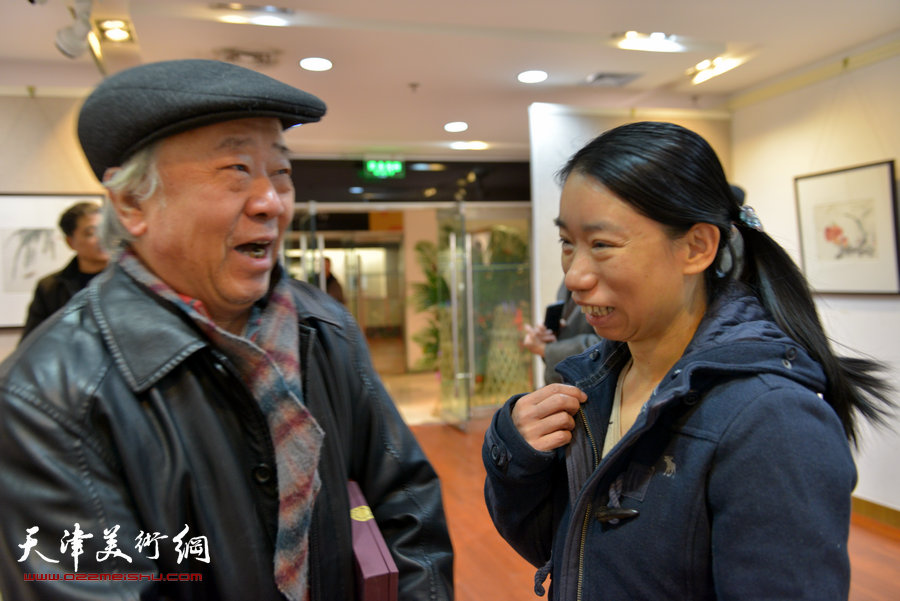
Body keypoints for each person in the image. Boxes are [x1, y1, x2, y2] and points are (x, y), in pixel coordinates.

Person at [0, 59, 453, 601]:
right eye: (236, 169)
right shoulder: (48, 395)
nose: (270, 202)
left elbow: (407, 502)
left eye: (281, 172)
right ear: (131, 202)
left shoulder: (324, 328)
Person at [482, 121, 893, 600]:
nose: (574, 275)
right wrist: (515, 453)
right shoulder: (593, 385)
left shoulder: (773, 420)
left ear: (696, 247)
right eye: (567, 243)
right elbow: (569, 553)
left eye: (602, 245)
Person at [19, 200, 109, 341]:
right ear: (70, 242)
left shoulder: (129, 279)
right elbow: (31, 344)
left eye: (107, 230)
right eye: (91, 233)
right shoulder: (50, 287)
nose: (103, 238)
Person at [523, 280, 600, 385]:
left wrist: (546, 350)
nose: (573, 275)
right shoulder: (565, 284)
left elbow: (610, 345)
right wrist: (553, 335)